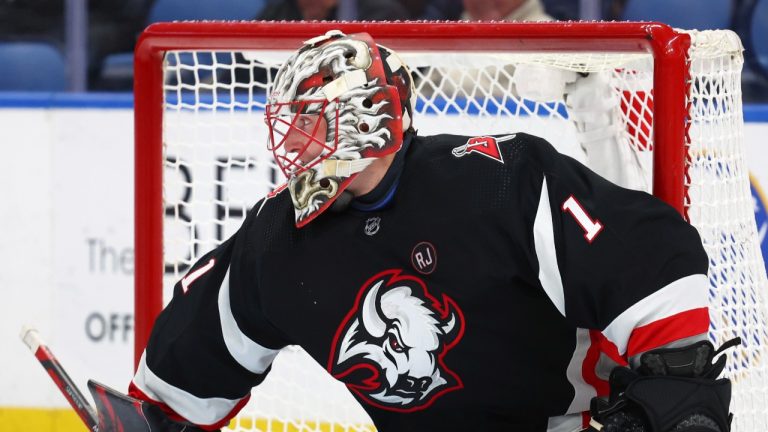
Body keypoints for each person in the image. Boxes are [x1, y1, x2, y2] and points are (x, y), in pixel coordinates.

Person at [109, 31, 735, 431]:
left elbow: (646, 256)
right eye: (293, 127)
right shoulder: (281, 236)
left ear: (370, 118)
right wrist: (158, 416)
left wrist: (677, 384)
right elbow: (208, 330)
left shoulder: (499, 181)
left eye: (312, 125)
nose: (296, 145)